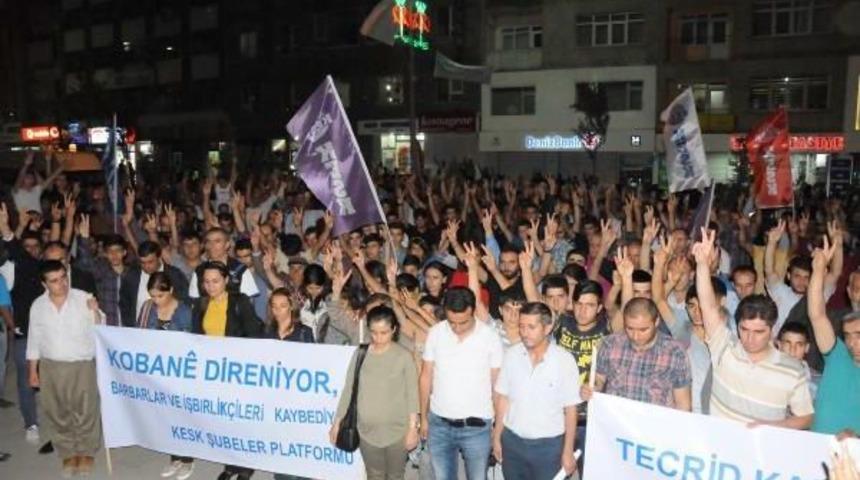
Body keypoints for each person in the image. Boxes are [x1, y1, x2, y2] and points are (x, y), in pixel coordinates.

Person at [694, 229, 814, 429]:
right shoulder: (724, 347)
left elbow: (805, 417)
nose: (749, 338)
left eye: (759, 332)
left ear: (772, 330)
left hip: (760, 454)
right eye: (744, 329)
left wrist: (771, 427)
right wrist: (702, 265)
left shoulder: (793, 369)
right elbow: (707, 305)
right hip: (718, 448)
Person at [26, 260, 103, 477]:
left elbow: (101, 330)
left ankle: (86, 451)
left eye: (63, 277)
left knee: (85, 410)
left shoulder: (83, 298)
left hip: (81, 365)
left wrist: (95, 312)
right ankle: (68, 451)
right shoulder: (38, 306)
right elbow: (34, 340)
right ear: (44, 284)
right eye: (55, 281)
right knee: (57, 411)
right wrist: (33, 371)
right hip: (51, 366)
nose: (62, 283)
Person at [420, 287, 503, 480]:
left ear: (473, 311)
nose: (456, 327)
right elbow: (426, 376)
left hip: (477, 427)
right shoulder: (436, 333)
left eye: (463, 322)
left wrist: (497, 427)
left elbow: (497, 386)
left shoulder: (490, 337)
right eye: (452, 322)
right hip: (439, 423)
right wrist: (423, 417)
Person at [190, 261, 262, 480]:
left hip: (238, 371)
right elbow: (196, 338)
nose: (210, 286)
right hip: (214, 372)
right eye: (207, 282)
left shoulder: (240, 302)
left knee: (240, 419)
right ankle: (230, 463)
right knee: (222, 418)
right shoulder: (201, 304)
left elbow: (254, 335)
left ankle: (246, 465)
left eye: (215, 281)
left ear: (226, 281)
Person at [493, 302, 580, 480]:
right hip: (512, 442)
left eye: (531, 327)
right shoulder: (512, 355)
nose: (524, 332)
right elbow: (503, 399)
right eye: (522, 326)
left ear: (547, 328)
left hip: (549, 447)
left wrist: (568, 450)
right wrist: (496, 437)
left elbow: (571, 410)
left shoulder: (564, 361)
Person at [331, 306, 419, 480]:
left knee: (395, 475)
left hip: (397, 432)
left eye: (384, 332)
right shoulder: (361, 354)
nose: (378, 338)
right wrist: (337, 423)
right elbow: (348, 389)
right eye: (374, 332)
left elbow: (412, 395)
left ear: (394, 329)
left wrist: (412, 429)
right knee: (374, 475)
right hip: (366, 431)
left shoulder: (403, 357)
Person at [581, 298, 692, 411]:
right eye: (630, 328)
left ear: (657, 321)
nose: (635, 336)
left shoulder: (675, 352)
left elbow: (683, 404)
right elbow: (599, 378)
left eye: (643, 330)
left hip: (655, 424)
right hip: (617, 421)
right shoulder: (610, 344)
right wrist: (591, 386)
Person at [137, 272, 195, 479]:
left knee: (183, 417)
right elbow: (139, 335)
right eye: (152, 296)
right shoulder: (147, 308)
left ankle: (188, 459)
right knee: (166, 417)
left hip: (179, 373)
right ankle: (174, 458)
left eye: (160, 296)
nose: (156, 301)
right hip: (157, 372)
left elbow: (192, 345)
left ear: (170, 290)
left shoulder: (184, 311)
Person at [807, 237, 860, 437]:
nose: (853, 342)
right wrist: (819, 269)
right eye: (848, 336)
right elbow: (817, 314)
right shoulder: (837, 354)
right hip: (813, 453)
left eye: (859, 335)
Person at [268, 288, 314, 480]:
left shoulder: (304, 332)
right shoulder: (266, 332)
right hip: (276, 397)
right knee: (280, 442)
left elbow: (314, 365)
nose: (278, 311)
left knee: (301, 442)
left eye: (283, 306)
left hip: (298, 397)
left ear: (291, 307)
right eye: (274, 306)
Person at [120, 240, 189, 327]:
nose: (146, 266)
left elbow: (185, 300)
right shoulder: (132, 276)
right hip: (139, 330)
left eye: (150, 262)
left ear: (159, 258)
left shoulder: (174, 275)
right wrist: (130, 326)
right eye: (143, 263)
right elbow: (124, 303)